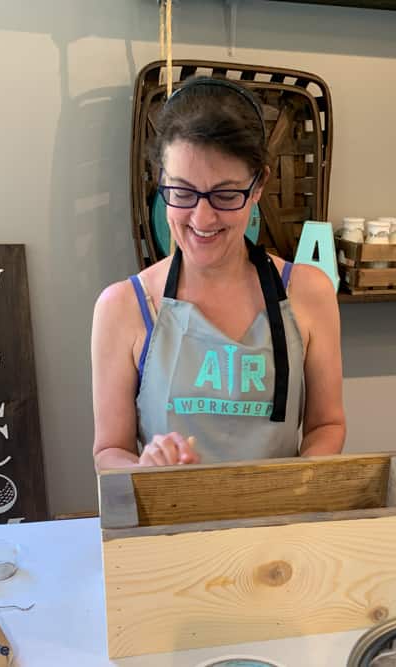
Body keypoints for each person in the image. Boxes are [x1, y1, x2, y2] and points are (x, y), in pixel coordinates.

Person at [91, 77, 345, 469]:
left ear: (258, 184)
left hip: (277, 524)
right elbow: (109, 451)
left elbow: (326, 424)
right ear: (161, 178)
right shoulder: (123, 306)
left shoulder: (309, 291)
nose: (202, 217)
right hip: (171, 525)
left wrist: (299, 482)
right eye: (183, 192)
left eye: (226, 195)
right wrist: (145, 469)